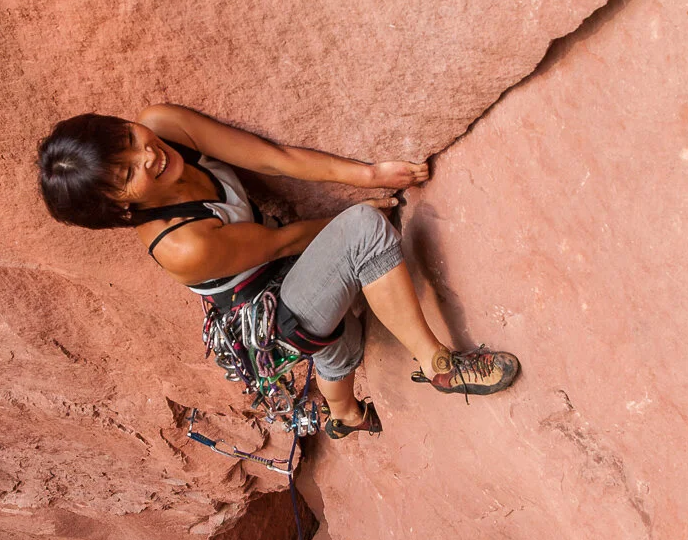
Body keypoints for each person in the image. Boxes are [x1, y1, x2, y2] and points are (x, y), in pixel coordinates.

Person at [37, 104, 520, 438]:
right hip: (268, 316)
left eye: (127, 138)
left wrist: (367, 174)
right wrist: (355, 219)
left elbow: (274, 159)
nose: (148, 155)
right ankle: (440, 368)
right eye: (126, 174)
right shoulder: (182, 244)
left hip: (281, 277)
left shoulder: (162, 125)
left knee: (344, 341)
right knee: (363, 235)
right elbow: (285, 241)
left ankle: (346, 416)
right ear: (119, 208)